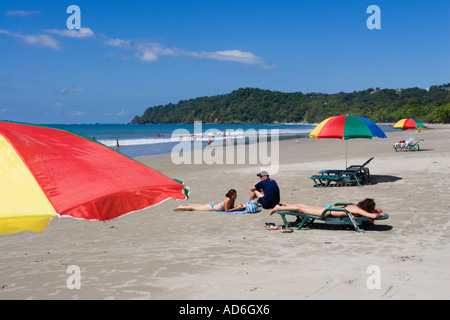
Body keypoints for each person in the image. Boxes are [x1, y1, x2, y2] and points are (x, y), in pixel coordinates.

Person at [269, 198, 385, 219]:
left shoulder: (357, 206)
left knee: (304, 206)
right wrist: (379, 214)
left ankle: (286, 205)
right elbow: (374, 215)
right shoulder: (359, 210)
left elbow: (377, 210)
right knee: (302, 209)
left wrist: (377, 211)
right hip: (326, 213)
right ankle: (279, 208)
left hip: (329, 208)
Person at [176, 189, 244, 212]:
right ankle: (181, 207)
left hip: (213, 204)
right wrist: (237, 208)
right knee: (195, 208)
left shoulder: (232, 199)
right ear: (231, 195)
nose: (236, 196)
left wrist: (237, 206)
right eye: (235, 195)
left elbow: (231, 208)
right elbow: (227, 210)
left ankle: (189, 205)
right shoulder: (228, 200)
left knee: (201, 206)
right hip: (211, 207)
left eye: (236, 194)